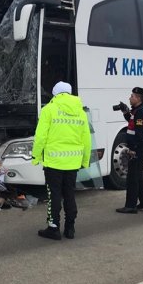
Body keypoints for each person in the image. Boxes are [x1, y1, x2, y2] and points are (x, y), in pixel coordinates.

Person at [32, 81, 91, 240]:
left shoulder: (48, 110)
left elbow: (41, 137)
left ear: (55, 93)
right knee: (70, 193)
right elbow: (86, 138)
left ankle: (53, 227)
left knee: (54, 194)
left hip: (53, 162)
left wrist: (36, 156)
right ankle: (70, 228)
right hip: (73, 162)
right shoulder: (81, 112)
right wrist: (85, 160)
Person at [116, 87, 143, 214]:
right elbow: (132, 123)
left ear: (138, 98)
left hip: (138, 149)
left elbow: (139, 133)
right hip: (141, 149)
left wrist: (133, 150)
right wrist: (125, 112)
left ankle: (130, 206)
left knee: (132, 177)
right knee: (137, 176)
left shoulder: (141, 113)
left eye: (132, 96)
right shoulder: (139, 110)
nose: (130, 98)